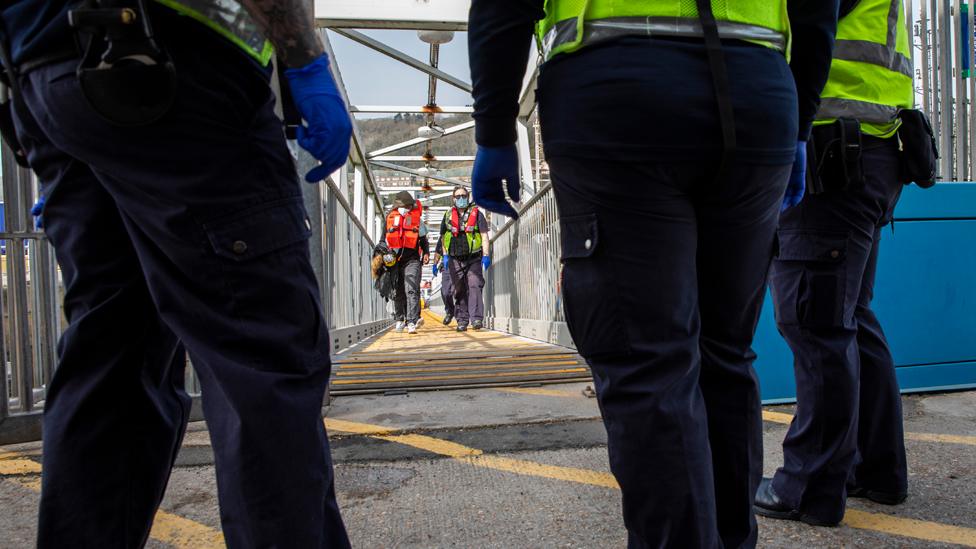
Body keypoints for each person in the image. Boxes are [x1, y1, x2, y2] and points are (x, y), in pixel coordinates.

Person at [468, 1, 838, 547]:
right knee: (725, 353)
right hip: (757, 95)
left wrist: (494, 127)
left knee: (648, 361)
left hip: (618, 96)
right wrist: (800, 120)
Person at [0, 1, 353, 547]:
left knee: (112, 356)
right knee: (260, 354)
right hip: (174, 66)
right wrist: (304, 60)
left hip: (46, 78)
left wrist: (26, 101)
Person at [754, 0, 914, 527]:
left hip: (828, 149)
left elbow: (806, 24)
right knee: (850, 319)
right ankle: (876, 470)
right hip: (873, 147)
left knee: (816, 324)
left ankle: (808, 487)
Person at [436, 186, 490, 332]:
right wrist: (445, 255)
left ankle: (477, 318)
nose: (461, 199)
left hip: (474, 257)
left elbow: (484, 235)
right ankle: (462, 320)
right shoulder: (447, 215)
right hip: (455, 258)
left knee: (474, 284)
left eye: (464, 196)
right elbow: (442, 237)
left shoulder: (477, 214)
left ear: (468, 197)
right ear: (453, 198)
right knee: (458, 289)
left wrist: (486, 255)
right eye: (458, 196)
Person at [386, 190, 430, 334]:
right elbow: (382, 239)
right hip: (395, 261)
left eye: (410, 206)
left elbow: (423, 239)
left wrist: (426, 253)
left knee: (411, 288)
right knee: (398, 291)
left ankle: (411, 321)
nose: (408, 208)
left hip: (412, 259)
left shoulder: (417, 220)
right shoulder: (390, 218)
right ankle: (400, 319)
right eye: (405, 206)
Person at [431, 249, 456, 325]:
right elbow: (438, 251)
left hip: (459, 262)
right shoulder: (443, 237)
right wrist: (435, 264)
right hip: (446, 266)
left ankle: (461, 315)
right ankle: (450, 312)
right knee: (445, 292)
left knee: (459, 290)